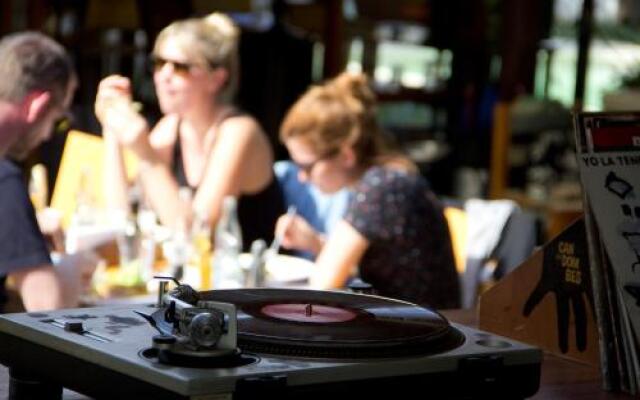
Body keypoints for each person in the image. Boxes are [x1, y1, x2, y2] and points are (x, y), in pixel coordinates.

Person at [95, 13, 283, 250]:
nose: (164, 76)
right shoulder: (171, 128)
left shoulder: (238, 132)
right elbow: (121, 219)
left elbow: (195, 237)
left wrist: (146, 154)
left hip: (255, 284)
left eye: (180, 67)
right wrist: (112, 131)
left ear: (216, 79)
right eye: (159, 63)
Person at [275, 72, 460, 309]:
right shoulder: (389, 177)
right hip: (416, 325)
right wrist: (315, 243)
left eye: (307, 166)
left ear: (345, 156)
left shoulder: (381, 187)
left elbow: (322, 284)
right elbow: (369, 264)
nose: (301, 176)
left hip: (419, 335)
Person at [0, 31, 92, 312]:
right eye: (58, 120)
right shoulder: (5, 180)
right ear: (38, 105)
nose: (49, 134)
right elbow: (46, 313)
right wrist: (73, 267)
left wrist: (24, 230)